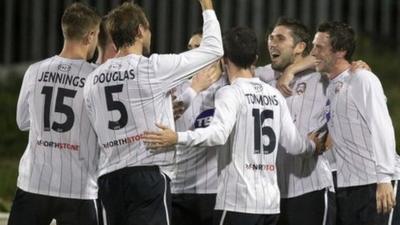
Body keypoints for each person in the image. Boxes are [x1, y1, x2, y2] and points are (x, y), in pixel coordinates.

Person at [144, 26, 323, 225]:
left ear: (223, 59)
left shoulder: (229, 92)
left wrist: (177, 137)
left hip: (237, 201)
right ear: (255, 59)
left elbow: (219, 134)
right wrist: (313, 145)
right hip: (269, 204)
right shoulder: (274, 95)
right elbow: (294, 144)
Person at [83, 1, 223, 224]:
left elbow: (95, 126)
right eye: (148, 29)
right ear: (139, 31)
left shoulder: (92, 80)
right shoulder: (152, 68)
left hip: (109, 179)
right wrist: (207, 6)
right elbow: (214, 49)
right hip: (147, 174)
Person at [11, 3, 101, 225]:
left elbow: (22, 122)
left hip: (35, 180)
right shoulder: (96, 77)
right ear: (90, 36)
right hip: (79, 185)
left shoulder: (35, 71)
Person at [311, 21, 396, 225]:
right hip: (348, 186)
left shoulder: (362, 79)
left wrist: (384, 178)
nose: (313, 52)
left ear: (340, 51)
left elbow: (382, 126)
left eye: (319, 47)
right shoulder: (332, 86)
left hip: (375, 184)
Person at [255, 18, 335, 225]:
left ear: (300, 47)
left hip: (311, 186)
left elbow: (336, 59)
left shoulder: (321, 76)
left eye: (280, 38)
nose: (272, 42)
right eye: (271, 37)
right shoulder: (265, 75)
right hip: (274, 193)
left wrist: (291, 71)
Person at [169, 30, 226, 225]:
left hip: (213, 191)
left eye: (198, 48)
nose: (192, 54)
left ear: (217, 54)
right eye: (190, 48)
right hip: (178, 188)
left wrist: (290, 72)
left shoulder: (230, 87)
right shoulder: (175, 87)